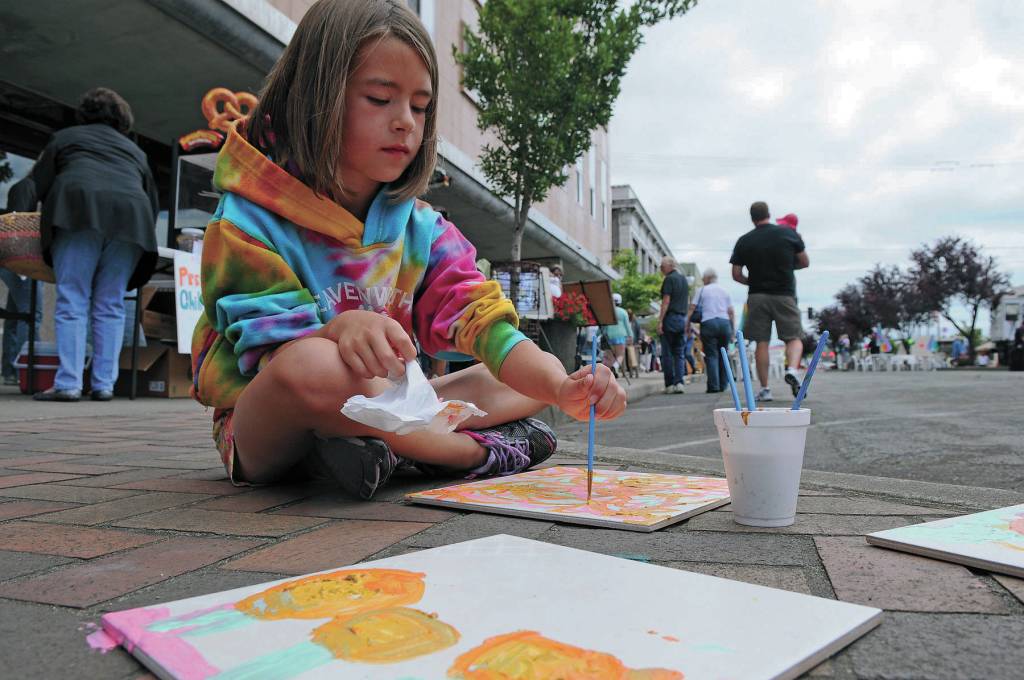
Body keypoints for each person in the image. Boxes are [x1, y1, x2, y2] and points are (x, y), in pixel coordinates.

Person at [190, 0, 626, 497]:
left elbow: (484, 323)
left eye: (420, 107)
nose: (406, 123)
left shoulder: (423, 229)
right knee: (315, 366)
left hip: (385, 406)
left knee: (521, 377)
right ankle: (473, 453)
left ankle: (373, 449)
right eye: (380, 99)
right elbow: (274, 356)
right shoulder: (247, 220)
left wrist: (564, 389)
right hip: (270, 428)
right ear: (313, 96)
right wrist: (339, 328)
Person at [30, 87, 159, 402]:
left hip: (79, 212)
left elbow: (37, 183)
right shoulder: (135, 152)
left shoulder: (66, 137)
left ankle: (69, 384)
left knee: (73, 298)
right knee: (111, 304)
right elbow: (152, 201)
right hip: (131, 222)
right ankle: (104, 385)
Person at [730, 201, 808, 402]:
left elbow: (736, 274)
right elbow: (804, 262)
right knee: (793, 337)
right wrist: (787, 270)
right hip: (784, 294)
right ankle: (792, 369)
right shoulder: (787, 234)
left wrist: (753, 281)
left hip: (757, 296)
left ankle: (765, 389)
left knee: (761, 342)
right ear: (769, 214)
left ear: (751, 217)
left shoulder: (744, 240)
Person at [1, 176, 44, 386]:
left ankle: (10, 370)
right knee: (31, 314)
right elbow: (19, 224)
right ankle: (28, 370)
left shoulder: (25, 186)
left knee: (17, 315)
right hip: (24, 257)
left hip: (12, 256)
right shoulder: (30, 186)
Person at [686, 268, 735, 393]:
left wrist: (687, 325)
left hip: (709, 323)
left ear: (707, 279)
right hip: (724, 324)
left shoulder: (702, 290)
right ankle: (724, 384)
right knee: (724, 353)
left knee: (712, 355)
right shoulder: (724, 291)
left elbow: (692, 308)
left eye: (703, 279)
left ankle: (714, 386)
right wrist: (732, 330)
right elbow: (731, 312)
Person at [657, 255, 688, 394]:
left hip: (670, 319)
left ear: (670, 266)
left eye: (662, 267)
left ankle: (669, 384)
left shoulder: (669, 279)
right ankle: (679, 382)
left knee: (667, 353)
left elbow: (666, 301)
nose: (661, 269)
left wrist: (660, 321)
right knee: (680, 353)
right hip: (682, 318)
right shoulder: (683, 279)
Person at [601, 292, 633, 376]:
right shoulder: (623, 312)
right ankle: (615, 367)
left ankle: (609, 373)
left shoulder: (607, 311)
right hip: (621, 336)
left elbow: (603, 326)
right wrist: (631, 336)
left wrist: (599, 334)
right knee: (620, 355)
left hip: (609, 336)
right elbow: (627, 326)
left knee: (610, 356)